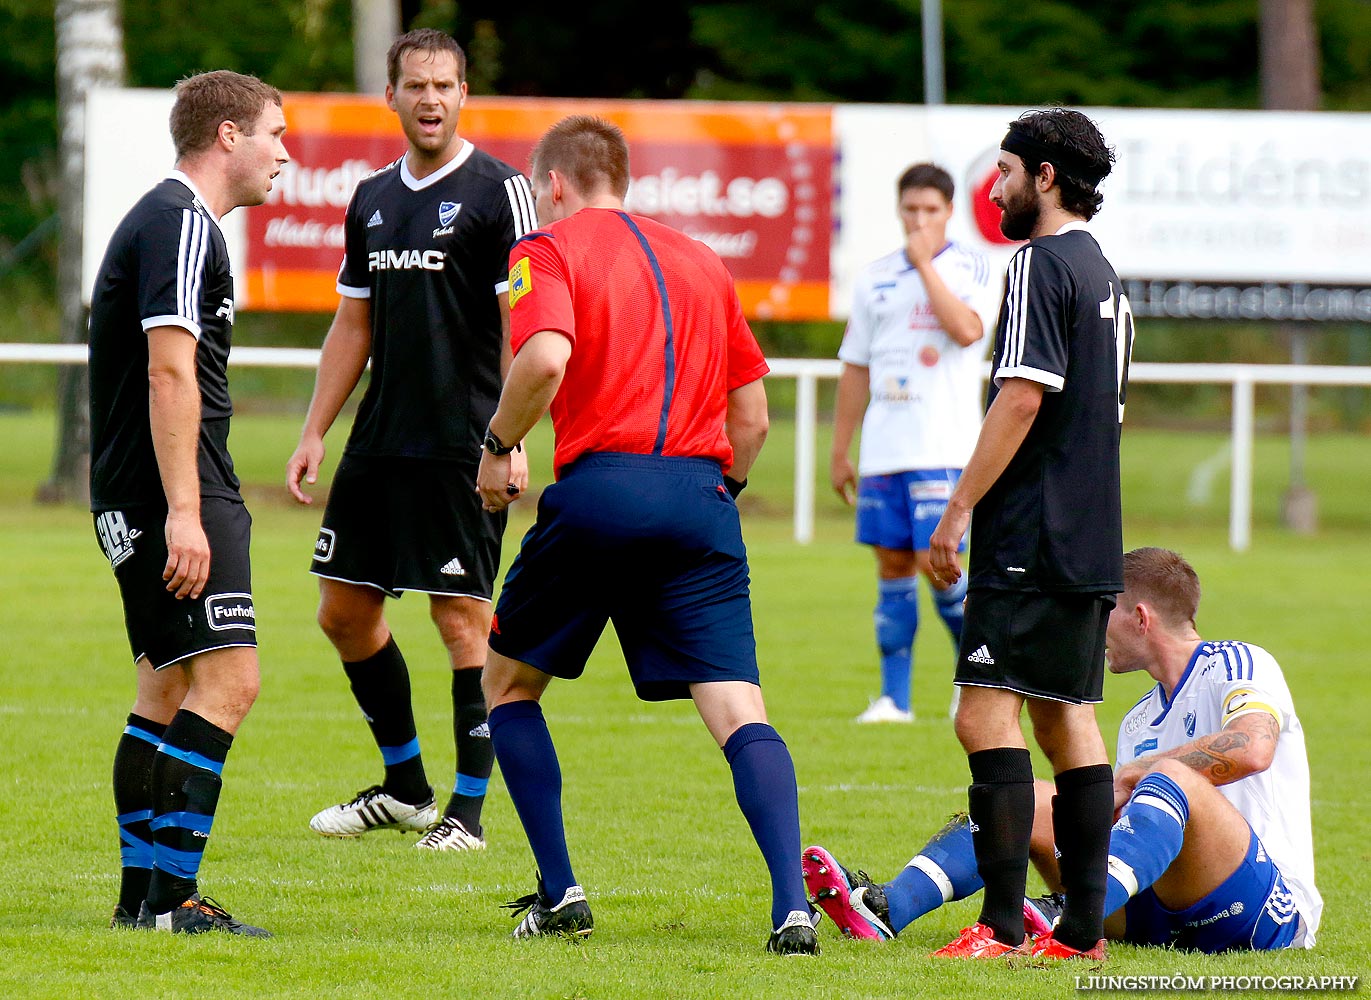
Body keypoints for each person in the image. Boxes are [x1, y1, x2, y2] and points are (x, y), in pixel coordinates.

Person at [473, 115, 818, 956]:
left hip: (599, 493)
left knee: (507, 687)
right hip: (701, 497)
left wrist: (497, 445)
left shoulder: (543, 251)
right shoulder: (704, 261)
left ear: (553, 184)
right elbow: (754, 417)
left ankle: (561, 894)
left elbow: (545, 357)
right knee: (738, 708)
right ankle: (790, 908)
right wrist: (717, 489)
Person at [803, 547, 1322, 955]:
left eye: (1102, 612)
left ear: (1141, 618)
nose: (1092, 629)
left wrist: (1143, 771)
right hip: (1156, 914)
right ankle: (887, 908)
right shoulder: (1141, 717)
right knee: (1031, 798)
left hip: (1261, 908)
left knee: (1172, 778)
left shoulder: (1236, 663)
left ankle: (1066, 914)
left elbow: (1254, 747)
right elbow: (1124, 829)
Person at [286, 29, 535, 852]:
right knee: (343, 612)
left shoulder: (502, 192)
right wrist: (315, 429)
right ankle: (405, 788)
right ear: (390, 95)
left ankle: (466, 812)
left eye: (445, 85)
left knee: (463, 621)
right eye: (416, 84)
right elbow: (352, 321)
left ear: (465, 95)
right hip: (379, 441)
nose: (430, 98)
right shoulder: (369, 198)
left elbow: (521, 327)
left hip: (464, 442)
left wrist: (508, 438)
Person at [919, 108, 1133, 959]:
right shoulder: (1105, 273)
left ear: (1044, 176)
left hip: (1029, 531)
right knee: (1065, 720)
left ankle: (1001, 926)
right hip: (1087, 533)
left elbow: (1020, 395)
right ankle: (1079, 930)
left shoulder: (1038, 264)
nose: (995, 186)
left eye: (1005, 170)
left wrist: (958, 508)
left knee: (981, 719)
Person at [89, 70, 288, 936]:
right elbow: (170, 370)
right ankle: (175, 901)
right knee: (230, 681)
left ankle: (142, 900)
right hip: (174, 487)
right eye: (275, 133)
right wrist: (184, 511)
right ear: (230, 137)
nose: (286, 153)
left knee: (165, 685)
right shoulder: (178, 222)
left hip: (139, 487)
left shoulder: (173, 222)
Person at [830, 163, 997, 724]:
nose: (919, 219)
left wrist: (926, 265)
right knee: (892, 567)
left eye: (930, 210)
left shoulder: (973, 267)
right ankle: (894, 700)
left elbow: (968, 331)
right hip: (884, 448)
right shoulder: (875, 276)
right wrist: (840, 449)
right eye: (910, 210)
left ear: (949, 211)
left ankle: (973, 678)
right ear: (898, 210)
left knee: (941, 564)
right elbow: (856, 365)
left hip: (943, 447)